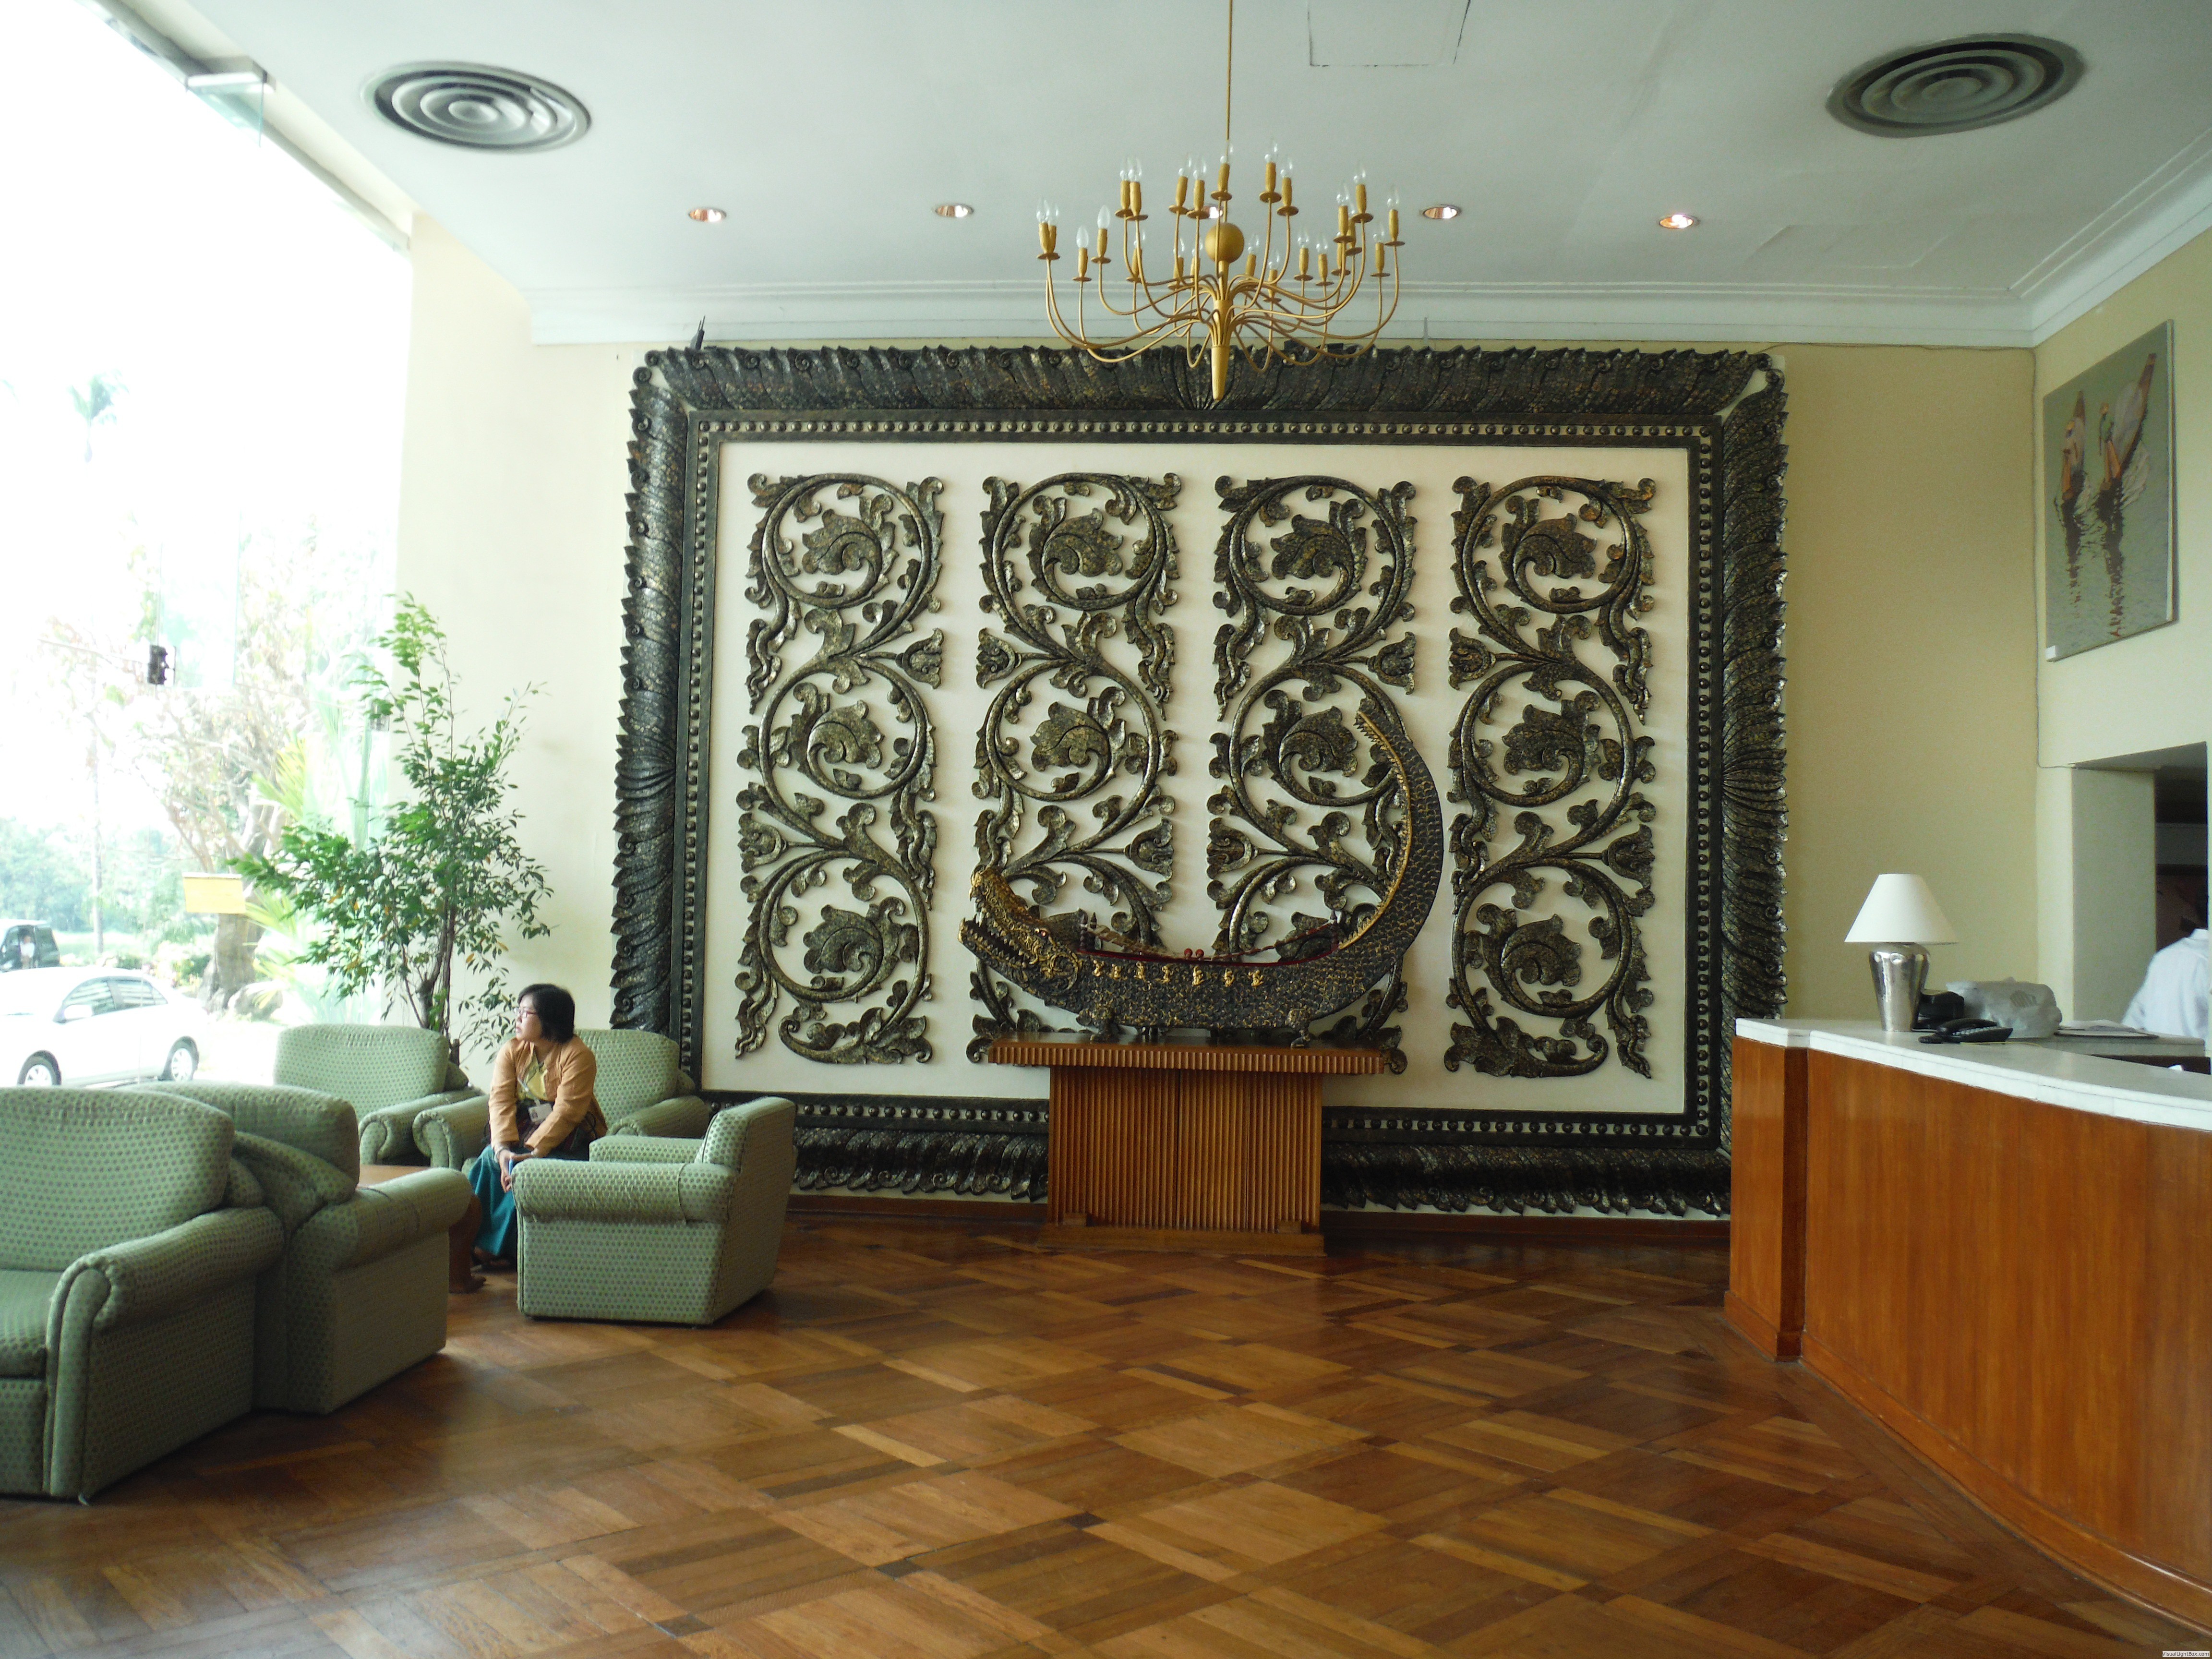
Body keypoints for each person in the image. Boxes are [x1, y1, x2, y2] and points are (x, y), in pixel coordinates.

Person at [466, 984, 607, 1266]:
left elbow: (567, 1112)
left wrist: (533, 1152)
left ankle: (502, 1252)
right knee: (488, 1160)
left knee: (523, 1171)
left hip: (568, 1141)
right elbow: (500, 1101)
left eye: (525, 1012)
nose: (517, 1018)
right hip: (520, 1133)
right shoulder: (512, 1050)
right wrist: (502, 1148)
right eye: (517, 1011)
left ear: (549, 1019)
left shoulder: (578, 1055)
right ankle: (464, 1239)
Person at [2123, 917, 2209, 1039]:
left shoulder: (2164, 957)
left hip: (2160, 1051)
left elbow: (2133, 1025)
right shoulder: (2206, 958)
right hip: (2200, 1051)